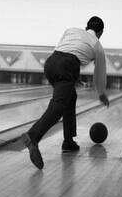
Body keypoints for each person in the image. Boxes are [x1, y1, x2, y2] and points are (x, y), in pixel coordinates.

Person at [21, 16, 109, 169]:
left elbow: (65, 51)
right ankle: (33, 136)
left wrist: (73, 77)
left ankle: (68, 141)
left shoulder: (71, 31)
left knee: (70, 96)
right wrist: (101, 94)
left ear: (86, 26)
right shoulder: (97, 46)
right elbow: (99, 74)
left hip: (51, 63)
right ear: (101, 32)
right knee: (58, 105)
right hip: (67, 67)